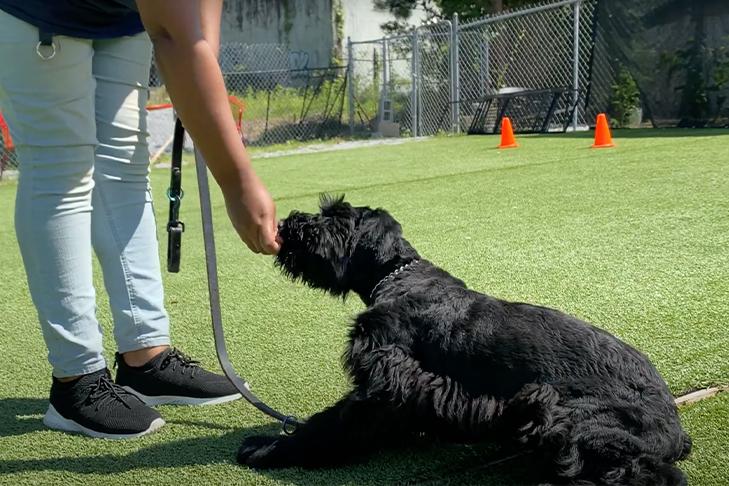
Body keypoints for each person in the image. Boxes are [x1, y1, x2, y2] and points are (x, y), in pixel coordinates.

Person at [0, 0, 280, 439]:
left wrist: (198, 75)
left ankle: (145, 357)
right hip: (41, 12)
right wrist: (236, 180)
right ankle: (76, 379)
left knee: (127, 167)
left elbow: (195, 35)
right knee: (62, 171)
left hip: (121, 17)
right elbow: (175, 36)